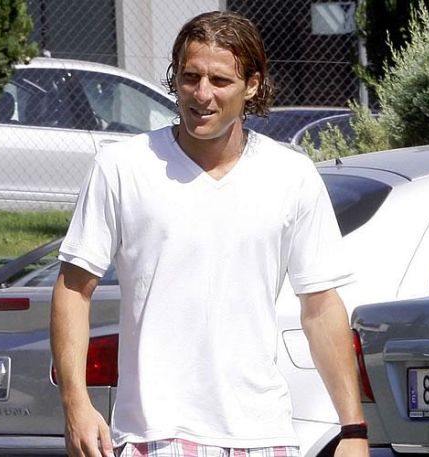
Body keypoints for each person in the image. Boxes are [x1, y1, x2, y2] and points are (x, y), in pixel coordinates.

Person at [50, 10, 369, 457]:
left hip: (264, 438)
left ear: (252, 85)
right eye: (190, 77)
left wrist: (352, 429)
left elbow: (320, 307)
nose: (202, 94)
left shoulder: (290, 175)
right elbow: (73, 289)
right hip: (153, 436)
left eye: (219, 81)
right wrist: (75, 403)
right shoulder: (122, 167)